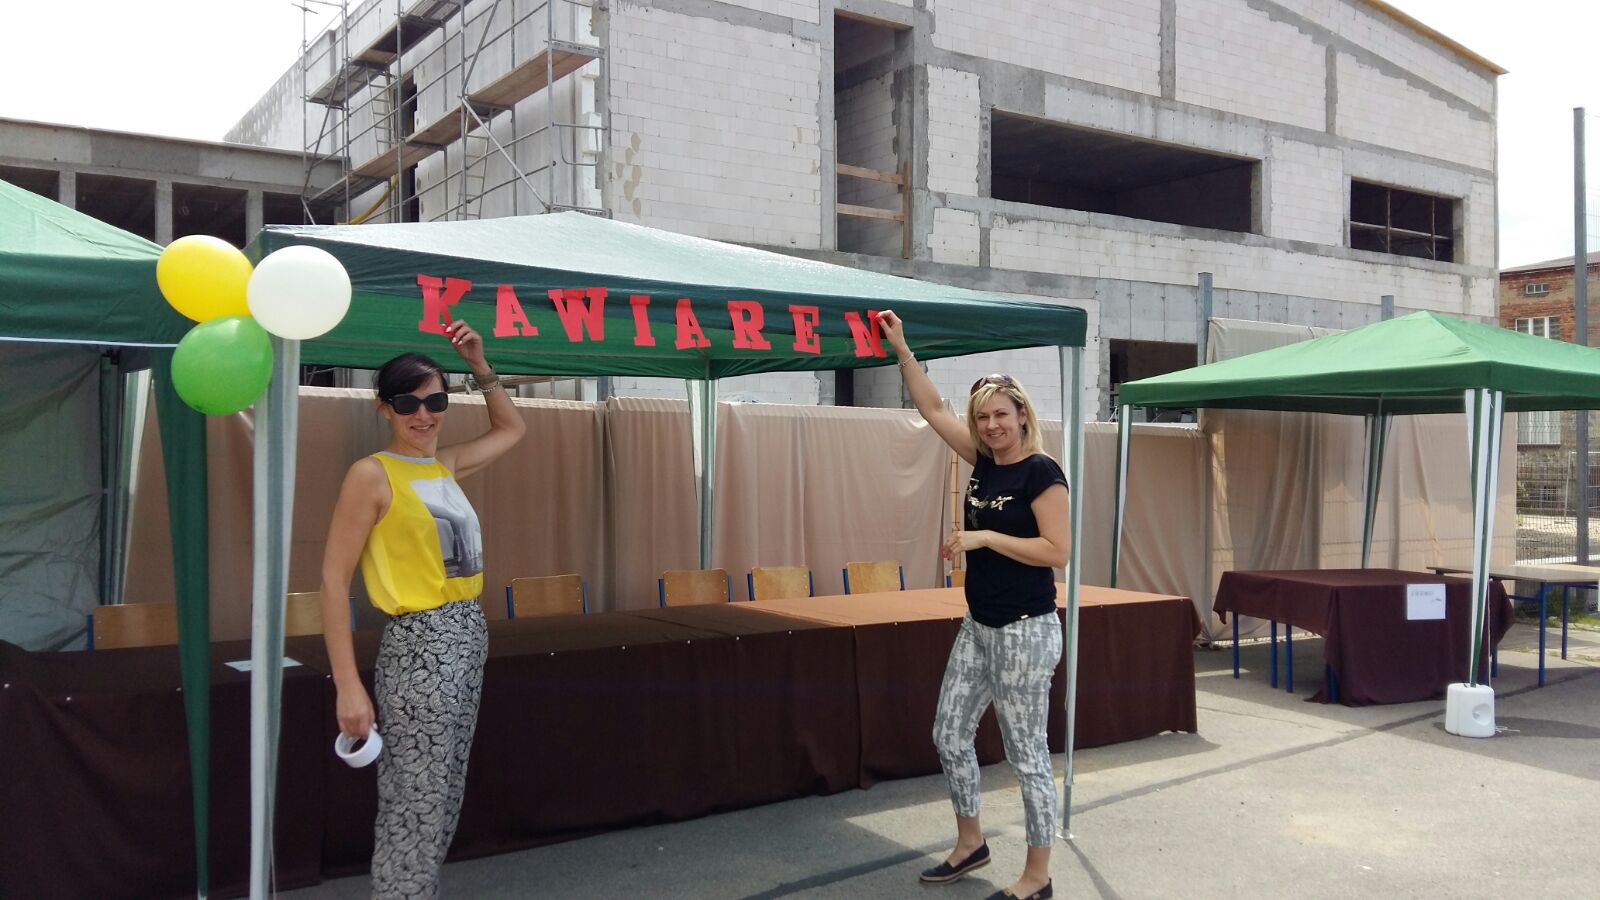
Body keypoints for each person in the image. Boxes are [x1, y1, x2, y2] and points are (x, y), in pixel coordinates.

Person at [318, 319, 525, 899]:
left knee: (443, 791)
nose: (423, 414)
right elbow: (332, 581)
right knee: (414, 800)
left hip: (466, 639)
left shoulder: (441, 467)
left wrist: (479, 366)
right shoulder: (371, 475)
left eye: (435, 401)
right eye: (407, 402)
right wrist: (348, 687)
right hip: (419, 647)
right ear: (384, 408)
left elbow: (512, 428)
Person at [879, 310, 1070, 900]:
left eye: (1001, 415)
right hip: (980, 626)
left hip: (1025, 631)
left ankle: (1037, 876)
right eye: (983, 417)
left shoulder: (1041, 473)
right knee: (949, 733)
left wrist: (986, 537)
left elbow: (1058, 552)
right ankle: (971, 843)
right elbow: (933, 409)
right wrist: (903, 350)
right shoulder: (984, 462)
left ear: (1022, 416)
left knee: (1026, 753)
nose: (991, 426)